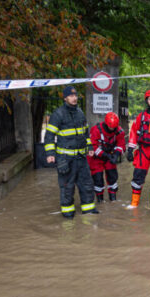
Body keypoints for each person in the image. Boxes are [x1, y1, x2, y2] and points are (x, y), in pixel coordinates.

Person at [44, 86, 98, 219]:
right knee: (67, 188)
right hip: (65, 159)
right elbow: (49, 135)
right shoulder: (58, 114)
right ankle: (68, 215)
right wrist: (50, 154)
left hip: (81, 158)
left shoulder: (80, 112)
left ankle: (89, 210)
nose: (74, 98)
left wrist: (90, 148)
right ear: (65, 98)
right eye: (71, 96)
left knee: (87, 185)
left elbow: (86, 133)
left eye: (76, 96)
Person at [87, 112, 126, 203]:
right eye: (111, 127)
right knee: (98, 178)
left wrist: (116, 155)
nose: (112, 129)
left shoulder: (119, 131)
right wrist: (105, 155)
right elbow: (93, 147)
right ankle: (100, 201)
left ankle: (113, 200)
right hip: (97, 158)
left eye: (114, 128)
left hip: (110, 156)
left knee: (112, 177)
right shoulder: (96, 130)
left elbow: (121, 144)